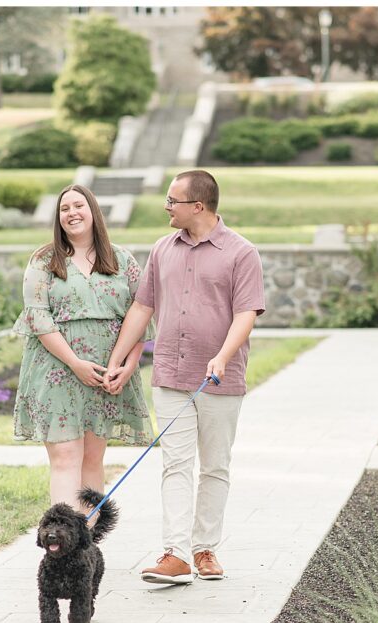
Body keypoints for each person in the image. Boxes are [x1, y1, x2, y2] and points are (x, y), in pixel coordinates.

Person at [104, 169, 265, 584]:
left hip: (218, 379)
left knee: (214, 466)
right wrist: (119, 360)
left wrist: (222, 356)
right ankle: (174, 554)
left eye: (173, 201)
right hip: (171, 376)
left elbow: (246, 313)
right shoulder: (162, 249)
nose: (166, 207)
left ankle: (205, 548)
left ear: (199, 206)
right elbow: (143, 308)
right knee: (175, 463)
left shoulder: (241, 252)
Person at [12, 184, 152, 522]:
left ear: (93, 211)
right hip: (57, 369)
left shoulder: (122, 259)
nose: (72, 213)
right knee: (65, 458)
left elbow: (141, 313)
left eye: (79, 206)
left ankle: (87, 544)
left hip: (105, 372)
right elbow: (37, 316)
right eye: (64, 209)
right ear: (58, 218)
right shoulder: (44, 260)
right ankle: (63, 545)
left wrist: (128, 366)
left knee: (92, 460)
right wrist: (75, 363)